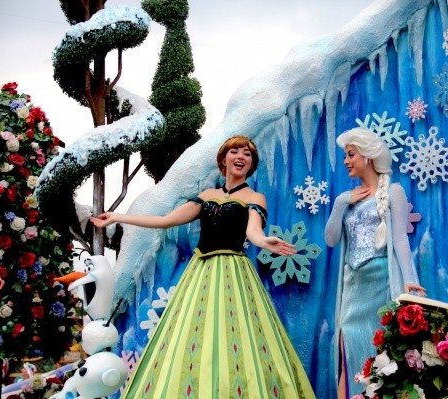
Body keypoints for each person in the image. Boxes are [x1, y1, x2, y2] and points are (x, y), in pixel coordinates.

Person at [91, 135, 315, 399]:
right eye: (235, 151)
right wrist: (119, 216)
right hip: (201, 274)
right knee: (193, 333)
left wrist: (264, 241)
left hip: (234, 273)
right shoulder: (207, 196)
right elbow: (166, 220)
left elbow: (253, 231)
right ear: (224, 159)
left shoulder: (255, 197)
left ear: (251, 164)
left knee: (237, 333)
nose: (241, 156)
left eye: (247, 154)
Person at [324, 127, 426, 398]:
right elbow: (331, 239)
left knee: (380, 354)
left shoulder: (393, 191)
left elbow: (401, 240)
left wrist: (410, 282)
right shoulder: (347, 198)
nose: (346, 161)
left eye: (351, 154)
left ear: (367, 156)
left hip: (380, 284)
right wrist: (340, 203)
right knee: (348, 349)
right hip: (352, 287)